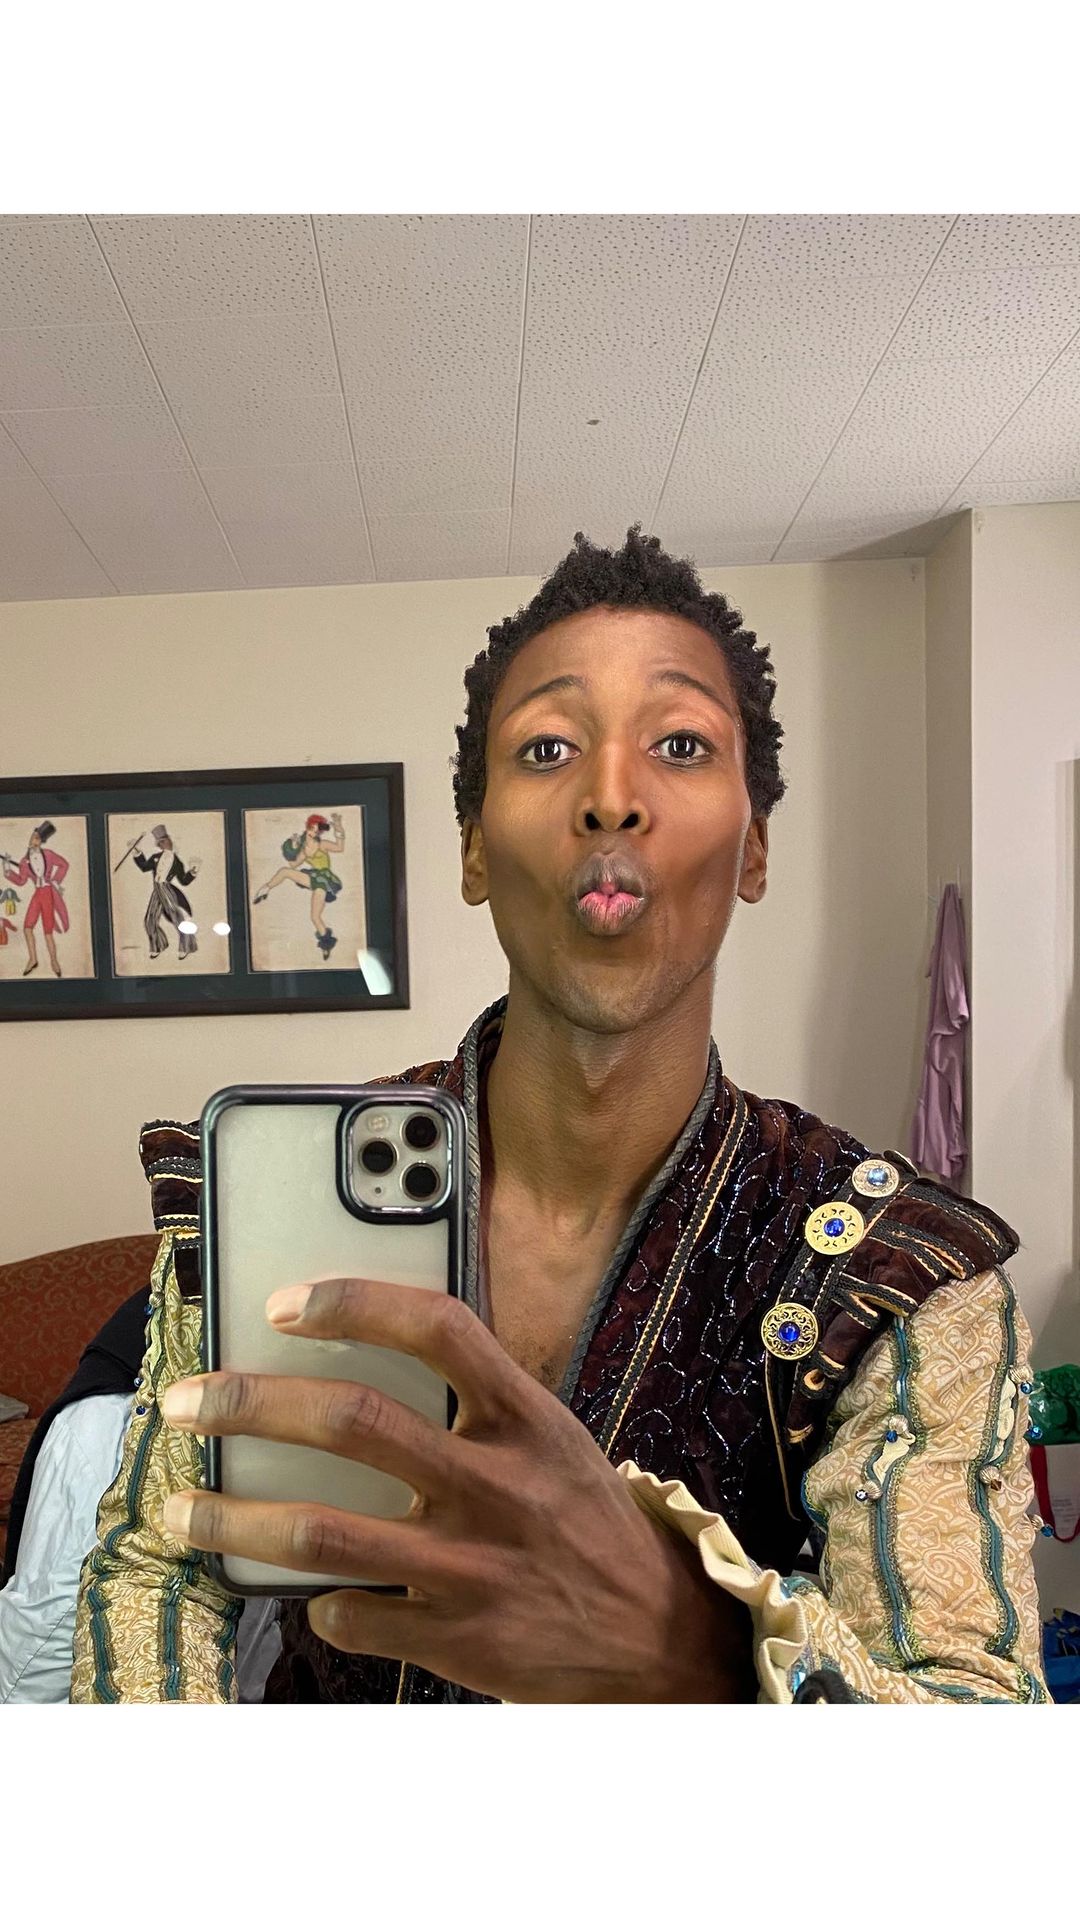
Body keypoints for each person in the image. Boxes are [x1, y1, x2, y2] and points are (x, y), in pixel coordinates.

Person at [72, 528, 1047, 1704]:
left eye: (680, 744)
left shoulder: (898, 1281)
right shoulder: (271, 1188)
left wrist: (699, 1653)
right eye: (548, 748)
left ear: (754, 847)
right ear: (474, 849)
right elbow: (156, 1568)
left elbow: (976, 1733)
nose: (611, 798)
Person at [253, 811, 345, 961]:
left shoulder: (322, 844)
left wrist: (338, 827)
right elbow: (293, 865)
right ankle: (265, 889)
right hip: (312, 877)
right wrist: (293, 846)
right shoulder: (303, 850)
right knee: (284, 871)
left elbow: (340, 847)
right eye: (311, 829)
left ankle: (326, 945)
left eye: (316, 830)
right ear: (307, 828)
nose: (313, 832)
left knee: (315, 917)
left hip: (324, 881)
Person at [1, 821, 69, 977]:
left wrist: (55, 881)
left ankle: (54, 962)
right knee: (27, 927)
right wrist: (7, 868)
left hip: (48, 894)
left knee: (48, 932)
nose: (33, 840)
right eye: (33, 836)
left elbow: (64, 864)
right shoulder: (24, 861)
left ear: (41, 841)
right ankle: (33, 959)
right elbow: (21, 881)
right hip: (37, 894)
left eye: (37, 838)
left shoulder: (49, 854)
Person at [132, 824, 201, 961]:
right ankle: (158, 945)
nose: (166, 843)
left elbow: (183, 881)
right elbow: (144, 867)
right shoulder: (155, 857)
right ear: (159, 845)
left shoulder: (177, 862)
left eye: (167, 839)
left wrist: (192, 872)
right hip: (157, 890)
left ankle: (186, 946)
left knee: (177, 918)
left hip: (167, 890)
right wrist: (137, 852)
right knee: (150, 920)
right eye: (162, 841)